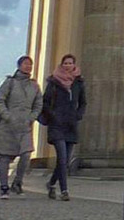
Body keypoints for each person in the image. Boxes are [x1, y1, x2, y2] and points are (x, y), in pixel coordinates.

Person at [0, 55, 43, 199]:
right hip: (7, 126)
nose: (28, 67)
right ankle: (4, 187)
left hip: (25, 125)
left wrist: (32, 117)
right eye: (26, 64)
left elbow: (38, 104)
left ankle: (17, 183)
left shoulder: (34, 86)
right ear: (19, 66)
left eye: (30, 64)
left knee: (26, 154)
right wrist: (7, 116)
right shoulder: (9, 82)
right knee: (5, 157)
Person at [41, 53, 86, 201]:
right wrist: (54, 115)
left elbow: (83, 102)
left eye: (70, 63)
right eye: (65, 63)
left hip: (71, 125)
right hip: (57, 125)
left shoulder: (78, 83)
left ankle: (52, 183)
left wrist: (78, 114)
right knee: (62, 157)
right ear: (62, 65)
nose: (67, 66)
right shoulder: (53, 82)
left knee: (64, 161)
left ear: (74, 65)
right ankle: (64, 190)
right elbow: (45, 102)